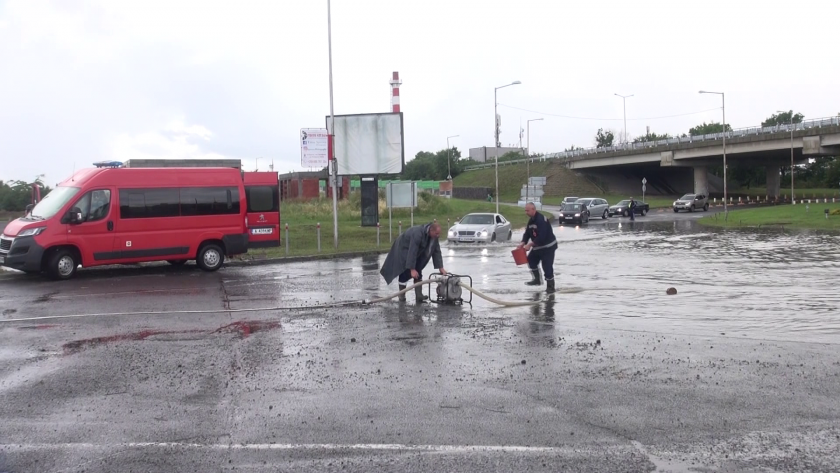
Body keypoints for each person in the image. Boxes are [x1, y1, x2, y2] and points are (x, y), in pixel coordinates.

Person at [380, 222, 447, 302]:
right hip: (403, 247)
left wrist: (440, 267)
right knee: (405, 271)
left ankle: (419, 295)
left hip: (414, 250)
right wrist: (412, 269)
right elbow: (412, 251)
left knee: (418, 269)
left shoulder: (434, 237)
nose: (438, 235)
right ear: (431, 230)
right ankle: (402, 296)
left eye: (439, 233)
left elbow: (436, 251)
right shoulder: (418, 234)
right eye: (436, 233)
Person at [517, 202, 557, 293]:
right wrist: (523, 242)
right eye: (525, 210)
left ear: (533, 209)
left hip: (548, 247)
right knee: (531, 260)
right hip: (538, 247)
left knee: (547, 266)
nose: (526, 212)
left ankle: (550, 288)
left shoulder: (541, 220)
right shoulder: (531, 220)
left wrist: (530, 245)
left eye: (527, 211)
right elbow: (527, 233)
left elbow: (542, 237)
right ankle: (537, 280)